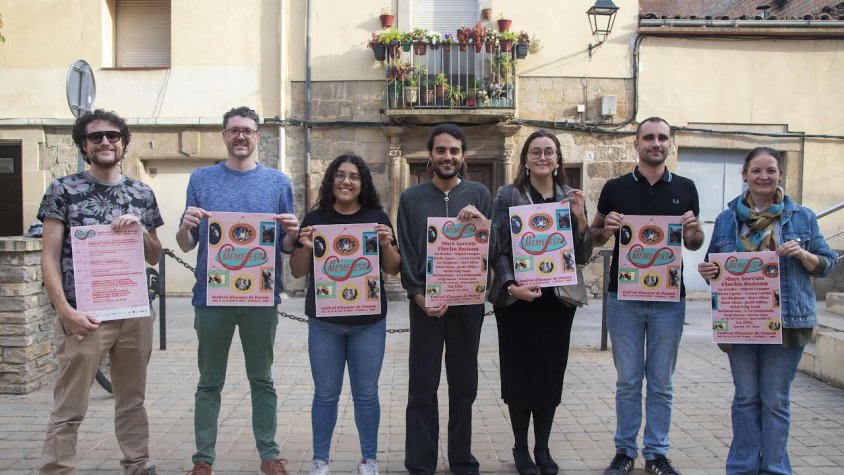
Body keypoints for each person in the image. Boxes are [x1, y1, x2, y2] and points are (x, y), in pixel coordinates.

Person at [697, 147, 837, 474]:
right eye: (756, 170)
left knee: (775, 400)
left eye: (770, 170)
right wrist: (708, 272)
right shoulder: (726, 219)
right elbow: (712, 263)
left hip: (788, 321)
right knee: (746, 398)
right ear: (744, 175)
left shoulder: (802, 216)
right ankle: (743, 468)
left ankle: (775, 468)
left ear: (779, 175)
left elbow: (828, 264)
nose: (764, 177)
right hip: (741, 321)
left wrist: (803, 255)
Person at [37, 109, 162, 475]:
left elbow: (155, 253)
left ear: (122, 142)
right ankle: (56, 469)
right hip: (85, 316)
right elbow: (49, 256)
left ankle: (137, 465)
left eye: (113, 135)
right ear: (84, 145)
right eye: (96, 137)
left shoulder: (142, 192)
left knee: (132, 400)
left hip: (134, 314)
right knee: (70, 405)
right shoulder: (63, 189)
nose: (106, 141)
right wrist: (64, 309)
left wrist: (141, 231)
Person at [176, 106, 299, 475]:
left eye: (247, 130)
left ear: (257, 136)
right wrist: (184, 226)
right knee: (209, 381)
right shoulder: (201, 178)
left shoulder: (278, 182)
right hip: (212, 297)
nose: (241, 136)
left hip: (260, 297)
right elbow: (185, 243)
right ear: (224, 135)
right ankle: (203, 459)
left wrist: (293, 230)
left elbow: (287, 246)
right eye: (234, 131)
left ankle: (269, 454)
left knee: (262, 378)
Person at [591, 117, 704, 475]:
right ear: (635, 143)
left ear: (670, 144)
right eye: (648, 138)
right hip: (623, 298)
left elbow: (693, 243)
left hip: (670, 300)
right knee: (627, 381)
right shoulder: (615, 187)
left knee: (661, 382)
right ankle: (625, 451)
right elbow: (593, 236)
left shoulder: (686, 188)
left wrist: (695, 231)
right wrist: (604, 229)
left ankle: (656, 453)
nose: (655, 143)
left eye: (662, 138)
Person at [488, 130, 593, 475]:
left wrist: (580, 220)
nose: (543, 157)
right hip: (519, 301)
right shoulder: (508, 195)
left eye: (549, 152)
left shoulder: (570, 196)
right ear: (526, 159)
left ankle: (542, 448)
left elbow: (583, 255)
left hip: (556, 303)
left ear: (558, 159)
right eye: (536, 152)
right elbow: (499, 247)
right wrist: (509, 285)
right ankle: (520, 448)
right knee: (520, 376)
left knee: (549, 375)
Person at [289, 155, 401, 475]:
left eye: (354, 176)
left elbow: (392, 269)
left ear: (362, 183)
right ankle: (321, 460)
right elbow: (297, 272)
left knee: (366, 395)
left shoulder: (376, 217)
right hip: (325, 323)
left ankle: (369, 459)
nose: (346, 182)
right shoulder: (315, 218)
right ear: (331, 181)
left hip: (369, 323)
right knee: (325, 395)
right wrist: (305, 246)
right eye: (340, 175)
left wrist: (386, 243)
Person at [398, 123, 494, 475]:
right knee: (422, 385)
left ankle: (461, 460)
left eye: (454, 150)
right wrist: (417, 294)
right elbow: (407, 251)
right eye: (441, 150)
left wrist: (483, 223)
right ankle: (420, 462)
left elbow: (493, 247)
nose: (447, 156)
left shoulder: (480, 194)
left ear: (463, 155)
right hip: (426, 307)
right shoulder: (411, 198)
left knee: (464, 386)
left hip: (468, 307)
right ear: (431, 155)